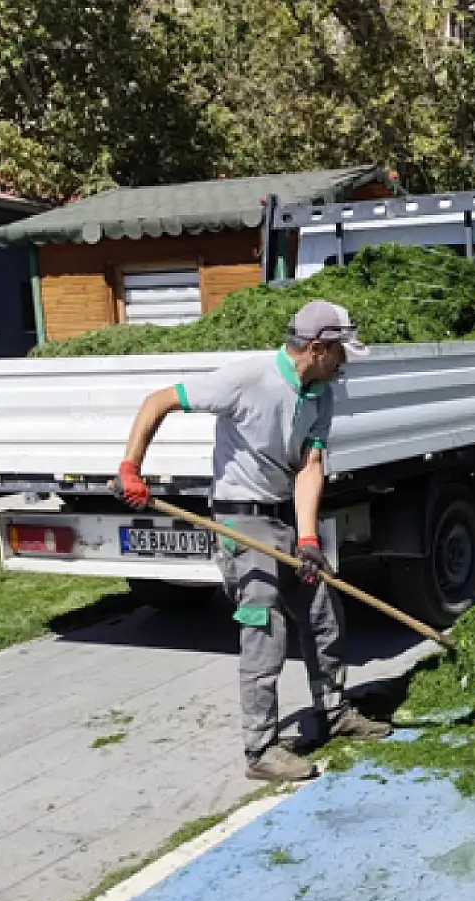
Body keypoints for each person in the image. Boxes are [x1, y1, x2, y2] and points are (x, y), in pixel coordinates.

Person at [112, 301, 391, 783]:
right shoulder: (246, 379)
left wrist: (307, 537)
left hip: (286, 515)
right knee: (264, 628)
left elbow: (309, 465)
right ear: (317, 347)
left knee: (324, 614)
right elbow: (160, 400)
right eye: (341, 352)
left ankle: (332, 711)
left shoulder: (322, 393)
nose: (345, 363)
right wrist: (131, 466)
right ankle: (261, 749)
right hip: (242, 520)